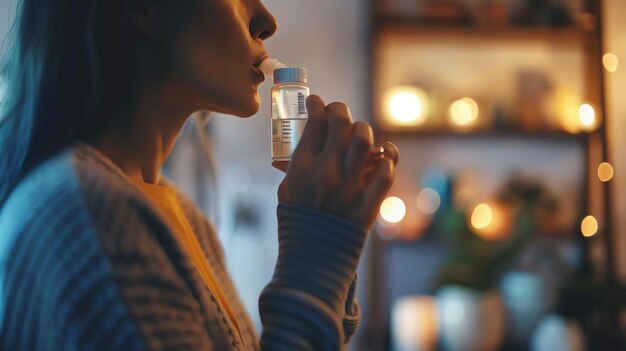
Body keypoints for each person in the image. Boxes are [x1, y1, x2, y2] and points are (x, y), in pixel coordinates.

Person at [0, 0, 399, 350]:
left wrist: (330, 257)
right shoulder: (85, 213)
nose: (266, 20)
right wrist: (317, 258)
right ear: (139, 6)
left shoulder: (181, 218)